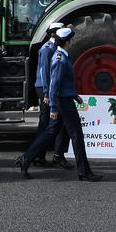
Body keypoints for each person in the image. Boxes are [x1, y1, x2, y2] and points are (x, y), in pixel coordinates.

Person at [18, 27, 101, 181]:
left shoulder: (60, 56)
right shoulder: (60, 59)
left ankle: (26, 158)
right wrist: (54, 107)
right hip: (63, 103)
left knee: (51, 132)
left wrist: (74, 95)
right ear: (68, 42)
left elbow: (63, 83)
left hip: (65, 99)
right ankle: (84, 171)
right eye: (71, 39)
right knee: (77, 135)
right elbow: (54, 86)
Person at [27, 22, 71, 169]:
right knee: (48, 122)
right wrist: (47, 93)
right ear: (53, 34)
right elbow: (45, 73)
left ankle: (41, 155)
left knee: (50, 122)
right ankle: (39, 155)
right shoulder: (47, 49)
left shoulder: (53, 48)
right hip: (45, 89)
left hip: (49, 89)